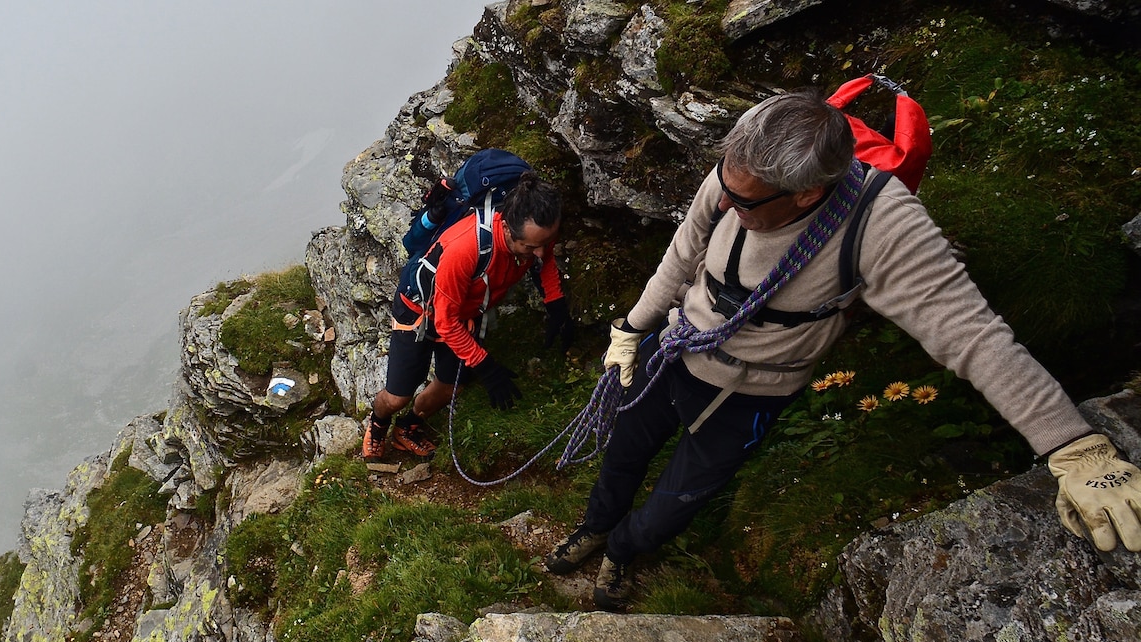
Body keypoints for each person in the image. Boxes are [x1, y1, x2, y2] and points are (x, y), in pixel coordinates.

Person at [546, 90, 1141, 610]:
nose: (724, 203)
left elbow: (973, 334)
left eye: (744, 202)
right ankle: (595, 528)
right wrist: (635, 325)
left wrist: (1072, 444)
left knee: (677, 500)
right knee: (622, 452)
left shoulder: (880, 225)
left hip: (750, 391)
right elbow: (685, 250)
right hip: (676, 350)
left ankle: (623, 551)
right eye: (724, 184)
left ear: (806, 195)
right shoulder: (741, 172)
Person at [363, 173, 570, 462]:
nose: (538, 252)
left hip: (463, 313)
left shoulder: (537, 233)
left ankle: (408, 428)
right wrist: (486, 366)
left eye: (544, 243)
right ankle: (379, 422)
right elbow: (445, 322)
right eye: (529, 247)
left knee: (451, 386)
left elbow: (544, 259)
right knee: (398, 396)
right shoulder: (465, 249)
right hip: (420, 312)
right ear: (507, 228)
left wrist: (555, 301)